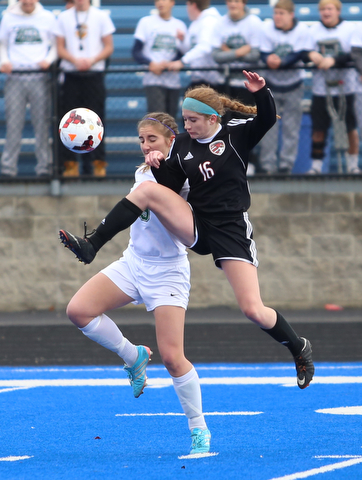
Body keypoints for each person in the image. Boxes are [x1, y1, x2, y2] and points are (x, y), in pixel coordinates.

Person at [59, 71, 315, 395]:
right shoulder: (181, 146)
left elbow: (265, 119)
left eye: (193, 120)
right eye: (184, 119)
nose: (188, 126)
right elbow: (167, 187)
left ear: (212, 118)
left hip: (229, 229)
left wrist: (261, 92)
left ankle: (298, 346)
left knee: (253, 309)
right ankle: (92, 244)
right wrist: (157, 163)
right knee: (148, 191)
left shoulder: (236, 136)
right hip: (194, 222)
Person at [60, 112, 210, 455]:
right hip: (133, 263)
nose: (145, 146)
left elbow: (176, 209)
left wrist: (164, 169)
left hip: (167, 272)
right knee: (78, 311)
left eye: (152, 140)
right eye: (141, 140)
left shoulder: (184, 175)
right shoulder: (143, 171)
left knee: (173, 358)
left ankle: (198, 427)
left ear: (172, 141)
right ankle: (134, 357)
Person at [54, 0, 115, 177]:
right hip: (72, 75)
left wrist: (91, 60)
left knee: (95, 121)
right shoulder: (64, 17)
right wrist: (75, 61)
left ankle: (98, 164)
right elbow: (60, 47)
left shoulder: (101, 16)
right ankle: (70, 164)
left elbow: (109, 46)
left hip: (93, 75)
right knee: (69, 121)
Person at [0, 0, 57, 177]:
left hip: (39, 78)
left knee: (41, 124)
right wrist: (4, 61)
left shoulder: (47, 17)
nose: (28, 2)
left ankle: (44, 167)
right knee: (13, 124)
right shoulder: (9, 17)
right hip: (15, 77)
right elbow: (1, 43)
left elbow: (56, 45)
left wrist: (48, 60)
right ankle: (8, 168)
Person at [258, 0, 313, 174]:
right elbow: (263, 51)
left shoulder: (302, 30)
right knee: (269, 127)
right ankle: (267, 165)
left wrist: (282, 61)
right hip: (271, 84)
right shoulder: (267, 28)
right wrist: (268, 59)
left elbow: (301, 54)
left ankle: (286, 165)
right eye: (276, 13)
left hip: (294, 84)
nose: (277, 17)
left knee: (291, 128)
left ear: (291, 15)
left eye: (281, 13)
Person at [307, 0, 360, 174]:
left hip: (346, 87)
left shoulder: (350, 28)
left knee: (349, 127)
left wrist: (334, 60)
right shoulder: (314, 31)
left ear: (337, 11)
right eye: (322, 9)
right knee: (319, 128)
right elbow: (304, 53)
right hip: (321, 88)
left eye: (329, 9)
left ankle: (352, 164)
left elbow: (354, 53)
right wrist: (311, 55)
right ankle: (316, 165)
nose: (326, 12)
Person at [211, 0, 263, 175]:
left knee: (247, 122)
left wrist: (228, 51)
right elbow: (216, 56)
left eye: (236, 1)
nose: (232, 4)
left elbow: (255, 55)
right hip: (225, 82)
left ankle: (250, 161)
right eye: (230, 1)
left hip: (247, 84)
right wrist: (240, 52)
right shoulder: (220, 23)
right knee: (225, 124)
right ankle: (227, 162)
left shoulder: (253, 22)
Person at [132, 0, 187, 119]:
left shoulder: (179, 25)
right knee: (157, 120)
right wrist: (151, 64)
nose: (160, 3)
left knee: (171, 119)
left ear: (172, 2)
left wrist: (169, 65)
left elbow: (182, 53)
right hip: (153, 80)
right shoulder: (146, 22)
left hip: (173, 81)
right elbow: (136, 51)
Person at [167, 0, 224, 92]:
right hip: (198, 78)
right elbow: (190, 50)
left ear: (193, 5)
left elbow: (205, 47)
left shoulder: (209, 21)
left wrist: (182, 61)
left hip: (212, 80)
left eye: (187, 5)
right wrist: (182, 40)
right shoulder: (195, 23)